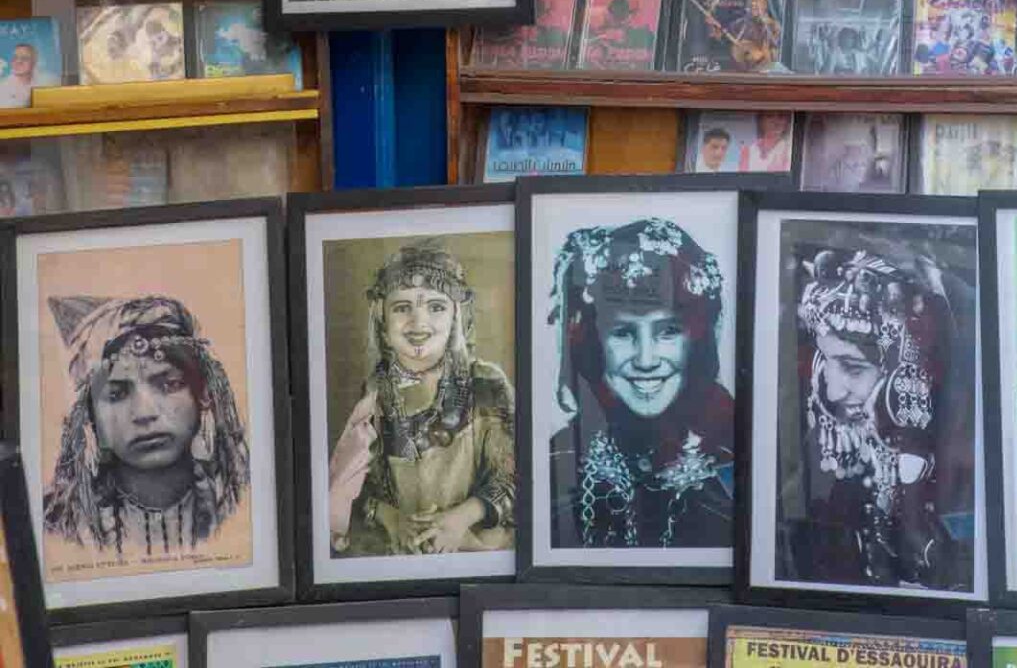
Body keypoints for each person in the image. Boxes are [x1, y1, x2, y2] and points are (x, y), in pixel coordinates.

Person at [778, 246, 964, 590]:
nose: (833, 392)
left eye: (852, 368)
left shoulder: (954, 482)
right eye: (827, 361)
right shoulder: (815, 468)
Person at [547, 218, 733, 549]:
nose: (646, 360)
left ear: (699, 338)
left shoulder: (740, 453)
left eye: (668, 331)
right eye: (622, 332)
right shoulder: (559, 459)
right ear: (592, 342)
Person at [328, 243, 514, 558]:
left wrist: (459, 519)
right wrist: (393, 519)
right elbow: (350, 491)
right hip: (401, 553)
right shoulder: (375, 394)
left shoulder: (485, 384)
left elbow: (515, 476)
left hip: (472, 548)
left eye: (436, 307)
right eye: (402, 308)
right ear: (383, 324)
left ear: (456, 317)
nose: (418, 322)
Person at [44, 293, 249, 556]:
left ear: (203, 395)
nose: (145, 413)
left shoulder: (246, 502)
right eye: (116, 394)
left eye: (170, 384)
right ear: (89, 416)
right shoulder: (57, 525)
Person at [0, 41, 38, 108]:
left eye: (24, 58)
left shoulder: (42, 81)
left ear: (34, 62)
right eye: (15, 57)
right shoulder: (3, 89)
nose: (18, 61)